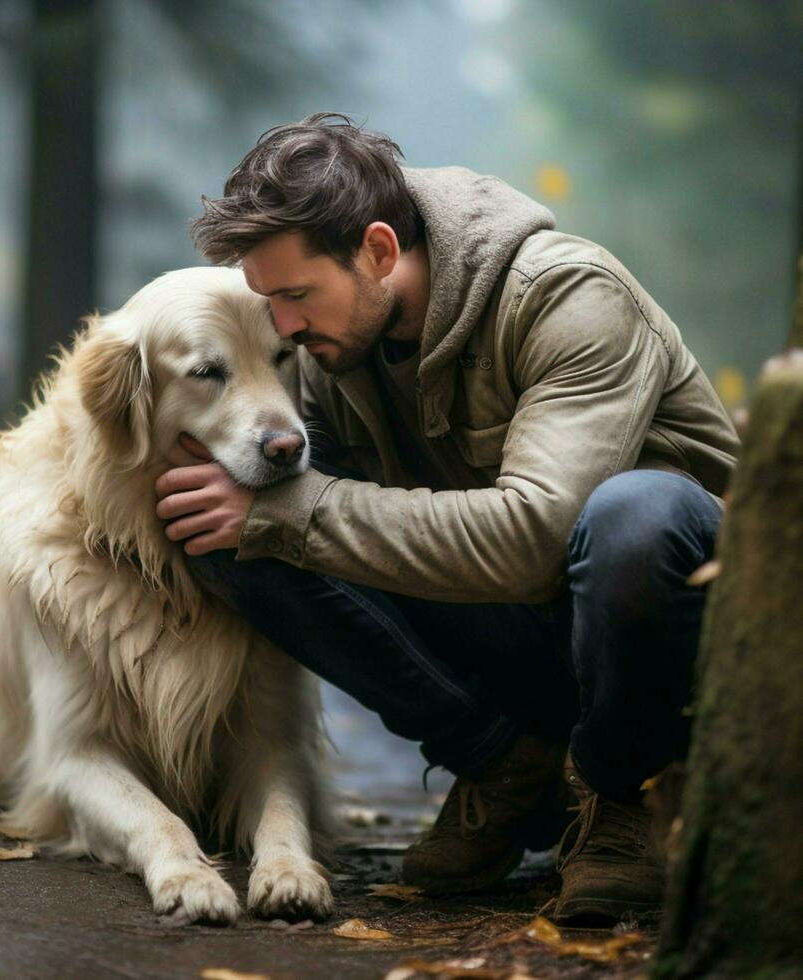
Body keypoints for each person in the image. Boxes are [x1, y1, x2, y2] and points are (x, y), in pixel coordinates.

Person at [154, 113, 739, 922]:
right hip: (534, 645)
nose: (282, 327)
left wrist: (297, 510)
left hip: (670, 661)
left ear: (380, 252)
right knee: (226, 518)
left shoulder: (568, 296)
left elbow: (534, 541)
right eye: (269, 301)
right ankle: (505, 766)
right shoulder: (333, 351)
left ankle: (624, 802)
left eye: (295, 295)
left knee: (636, 515)